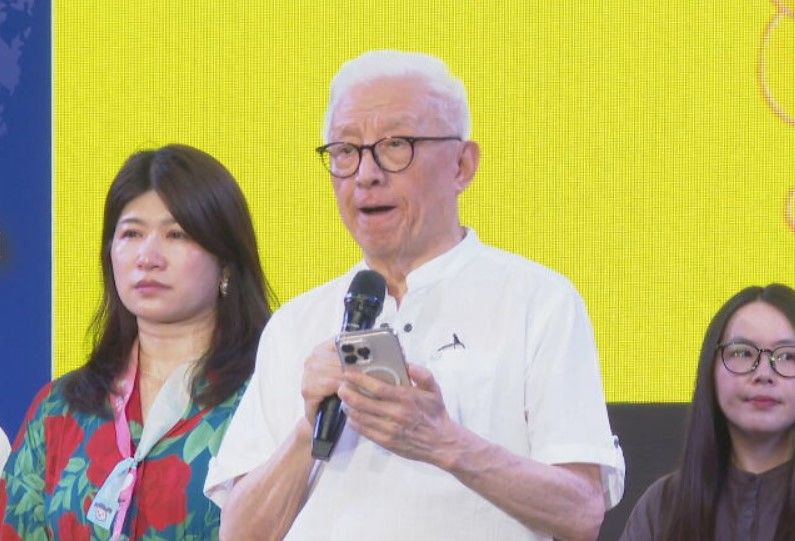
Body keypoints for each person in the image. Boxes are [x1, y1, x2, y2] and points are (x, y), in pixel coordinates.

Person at [206, 50, 624, 541]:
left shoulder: (538, 301)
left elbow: (581, 512)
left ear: (462, 165)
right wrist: (307, 428)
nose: (365, 174)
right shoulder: (296, 324)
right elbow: (239, 533)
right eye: (345, 151)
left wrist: (444, 442)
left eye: (395, 145)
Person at [0, 144, 272, 540]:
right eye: (131, 233)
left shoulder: (267, 399)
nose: (148, 256)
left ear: (227, 263)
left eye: (176, 234)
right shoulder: (60, 409)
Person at [620, 283, 795, 540]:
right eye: (742, 353)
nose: (763, 374)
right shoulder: (662, 506)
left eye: (788, 357)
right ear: (710, 369)